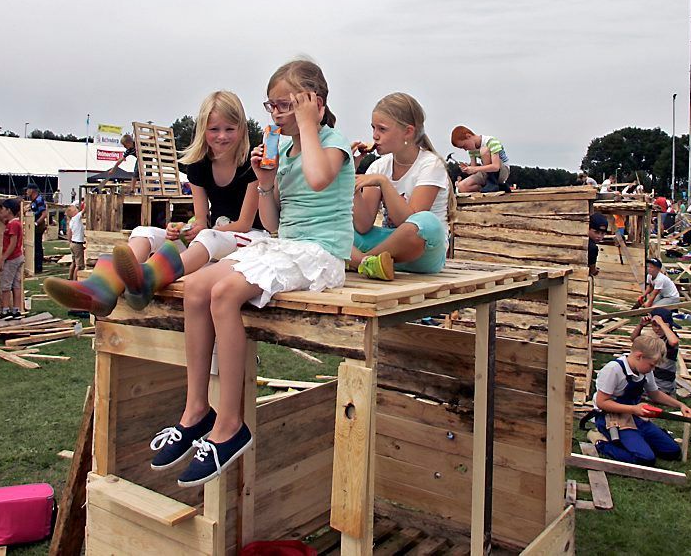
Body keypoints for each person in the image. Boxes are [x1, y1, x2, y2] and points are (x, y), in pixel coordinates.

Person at [145, 60, 354, 487]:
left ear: (315, 103)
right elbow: (274, 222)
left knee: (224, 292)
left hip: (321, 253)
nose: (276, 112)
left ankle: (230, 423)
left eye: (286, 104)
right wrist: (263, 182)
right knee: (197, 286)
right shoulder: (289, 151)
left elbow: (317, 180)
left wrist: (309, 123)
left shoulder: (332, 143)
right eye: (272, 104)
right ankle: (196, 410)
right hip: (287, 244)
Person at [45, 91, 269, 315]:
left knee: (208, 236)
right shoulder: (199, 165)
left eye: (230, 129)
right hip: (214, 237)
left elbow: (244, 223)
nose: (222, 136)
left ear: (242, 129)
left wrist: (202, 231)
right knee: (143, 231)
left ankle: (147, 278)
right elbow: (202, 219)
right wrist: (185, 229)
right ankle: (102, 288)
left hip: (252, 239)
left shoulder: (252, 162)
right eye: (214, 129)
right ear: (203, 130)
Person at [350, 92, 453, 280]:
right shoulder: (378, 166)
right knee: (336, 228)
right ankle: (371, 263)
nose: (375, 136)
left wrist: (383, 183)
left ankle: (360, 261)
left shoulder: (431, 165)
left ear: (408, 131)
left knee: (427, 223)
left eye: (382, 129)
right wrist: (350, 177)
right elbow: (364, 226)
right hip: (387, 250)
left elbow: (409, 223)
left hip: (422, 253)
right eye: (373, 128)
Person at [589, 333, 691, 465]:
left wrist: (680, 405)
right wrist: (634, 409)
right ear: (639, 356)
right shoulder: (613, 370)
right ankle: (600, 442)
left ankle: (638, 440)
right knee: (645, 459)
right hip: (611, 418)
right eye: (651, 365)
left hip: (633, 416)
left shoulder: (645, 371)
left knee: (672, 452)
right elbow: (601, 402)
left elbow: (654, 394)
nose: (653, 369)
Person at [0, 198, 25, 319]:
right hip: (17, 257)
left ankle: (5, 311)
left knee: (6, 285)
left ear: (9, 210)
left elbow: (13, 243)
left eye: (3, 209)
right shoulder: (13, 223)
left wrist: (3, 259)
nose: (2, 211)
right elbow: (2, 219)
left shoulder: (13, 225)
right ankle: (16, 310)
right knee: (16, 284)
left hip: (12, 258)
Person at [633, 309, 681, 396]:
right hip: (651, 379)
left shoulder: (670, 339)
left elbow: (674, 342)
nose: (657, 329)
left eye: (660, 326)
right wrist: (640, 325)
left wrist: (661, 323)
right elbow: (634, 340)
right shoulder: (653, 337)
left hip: (662, 384)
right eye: (654, 325)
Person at [451, 126, 510, 193]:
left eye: (464, 146)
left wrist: (475, 169)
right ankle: (497, 187)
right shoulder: (471, 150)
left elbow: (496, 167)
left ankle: (493, 183)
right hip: (486, 173)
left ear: (468, 136)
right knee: (462, 187)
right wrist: (468, 169)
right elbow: (474, 171)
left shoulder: (491, 141)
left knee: (484, 151)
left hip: (501, 171)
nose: (465, 149)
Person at [25, 183, 48, 273]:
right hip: (34, 225)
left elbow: (44, 214)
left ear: (32, 190)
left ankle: (38, 266)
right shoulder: (33, 200)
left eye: (27, 190)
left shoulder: (39, 200)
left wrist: (36, 223)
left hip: (38, 226)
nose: (26, 192)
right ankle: (35, 265)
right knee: (34, 245)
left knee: (37, 245)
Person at [66, 204, 86, 280]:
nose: (77, 210)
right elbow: (84, 210)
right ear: (73, 212)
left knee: (73, 262)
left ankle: (69, 277)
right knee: (79, 265)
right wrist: (86, 201)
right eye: (75, 209)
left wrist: (69, 241)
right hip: (77, 244)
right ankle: (75, 280)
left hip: (73, 243)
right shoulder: (77, 217)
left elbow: (69, 233)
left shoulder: (71, 221)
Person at [588, 213, 608, 277]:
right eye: (596, 232)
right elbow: (592, 271)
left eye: (602, 233)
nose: (599, 236)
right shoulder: (592, 247)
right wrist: (594, 270)